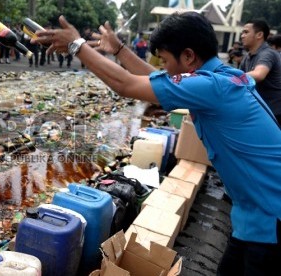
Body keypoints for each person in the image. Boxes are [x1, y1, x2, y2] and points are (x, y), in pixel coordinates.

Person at [33, 12, 281, 276]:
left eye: (165, 59)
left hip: (270, 217)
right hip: (253, 214)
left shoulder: (212, 87)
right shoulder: (221, 75)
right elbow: (157, 80)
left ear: (188, 56)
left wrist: (76, 46)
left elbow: (126, 84)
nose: (164, 68)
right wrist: (118, 49)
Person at [240, 19, 281, 124]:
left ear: (259, 35)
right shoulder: (247, 57)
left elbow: (258, 75)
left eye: (246, 32)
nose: (242, 36)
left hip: (275, 113)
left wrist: (227, 77)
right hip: (261, 111)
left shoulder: (267, 54)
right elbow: (240, 78)